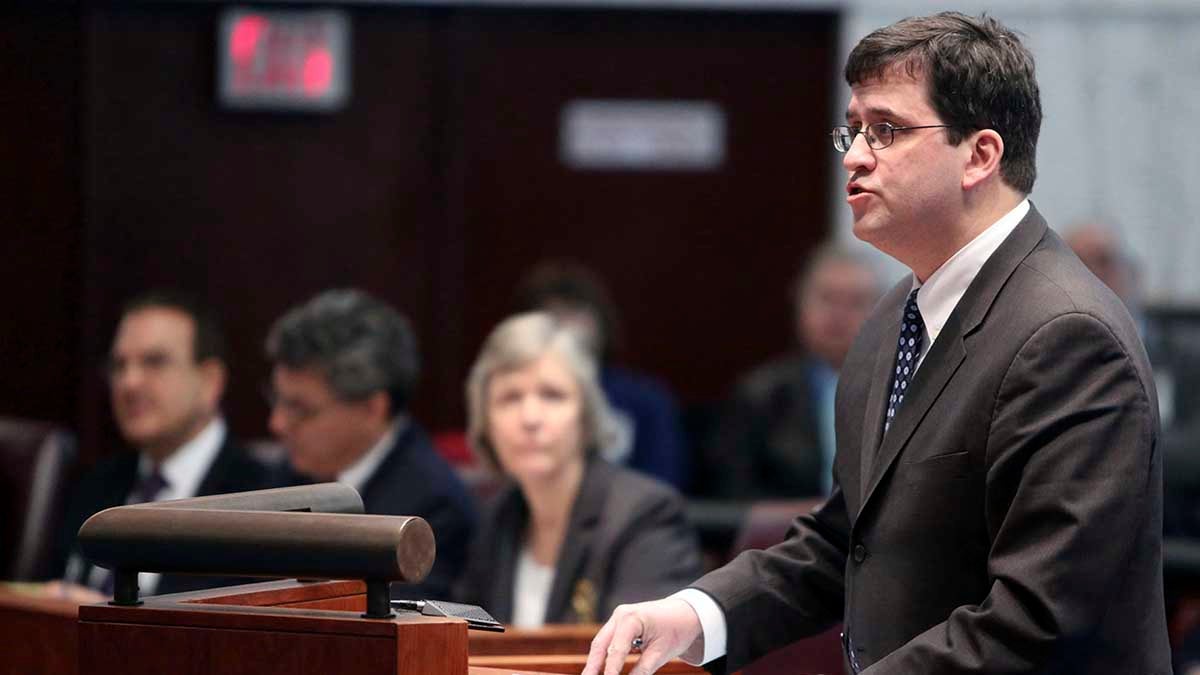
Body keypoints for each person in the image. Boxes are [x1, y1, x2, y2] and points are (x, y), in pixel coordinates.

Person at [583, 12, 1169, 675]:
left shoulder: (1067, 335)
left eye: (885, 130)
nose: (856, 155)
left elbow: (1043, 621)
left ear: (980, 154)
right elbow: (848, 540)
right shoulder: (896, 316)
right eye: (854, 130)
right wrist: (696, 613)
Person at [454, 312, 701, 627]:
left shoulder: (645, 515)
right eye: (510, 398)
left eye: (552, 395)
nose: (530, 417)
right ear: (485, 423)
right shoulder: (496, 519)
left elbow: (641, 658)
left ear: (586, 417)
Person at [52, 290, 276, 599]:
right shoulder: (94, 483)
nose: (129, 383)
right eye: (119, 366)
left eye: (154, 362)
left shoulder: (263, 500)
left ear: (210, 381)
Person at [265, 288, 475, 600]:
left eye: (300, 409)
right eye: (276, 400)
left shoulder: (435, 509)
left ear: (372, 408)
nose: (277, 423)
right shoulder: (282, 480)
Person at [704, 243, 881, 498]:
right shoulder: (760, 393)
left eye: (855, 303)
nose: (838, 315)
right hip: (788, 534)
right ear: (800, 304)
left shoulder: (901, 388)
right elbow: (732, 490)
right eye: (827, 299)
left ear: (882, 312)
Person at [514, 260, 689, 490]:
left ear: (601, 321)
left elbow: (664, 484)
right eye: (553, 316)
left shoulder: (645, 400)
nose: (566, 328)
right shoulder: (514, 398)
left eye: (576, 313)